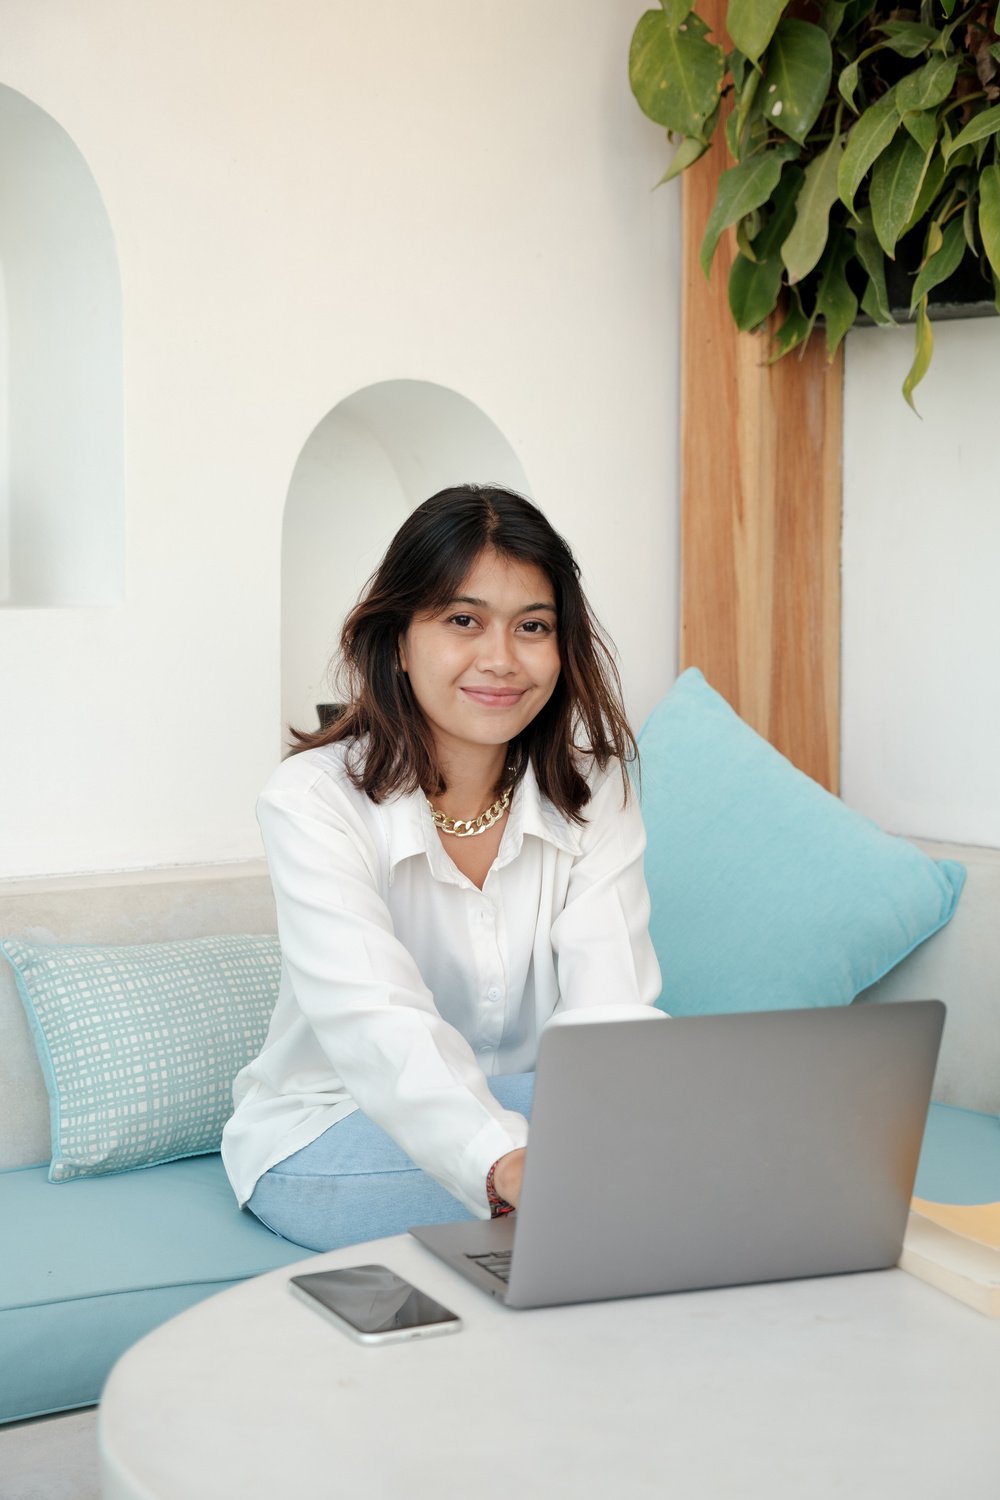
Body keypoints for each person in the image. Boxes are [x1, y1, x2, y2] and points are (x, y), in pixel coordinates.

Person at [221, 484, 661, 1250]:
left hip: (528, 1106)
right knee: (645, 1194)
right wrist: (509, 1161)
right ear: (398, 637)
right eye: (464, 621)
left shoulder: (598, 788)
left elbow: (609, 1011)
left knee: (671, 1132)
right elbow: (378, 1020)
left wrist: (607, 1132)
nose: (501, 659)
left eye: (533, 626)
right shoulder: (312, 799)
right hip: (332, 1128)